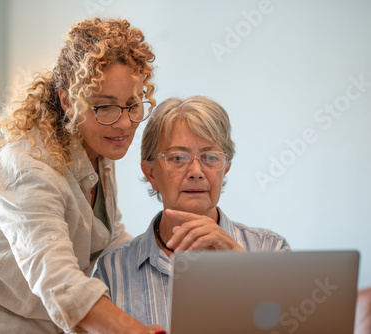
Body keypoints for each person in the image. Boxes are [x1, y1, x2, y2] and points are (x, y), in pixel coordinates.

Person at [0, 18, 166, 334]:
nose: (123, 124)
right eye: (105, 107)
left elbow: (111, 239)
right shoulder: (29, 169)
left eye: (132, 105)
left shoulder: (98, 150)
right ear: (68, 100)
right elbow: (59, 282)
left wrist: (165, 248)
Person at [93, 96, 291, 330]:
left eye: (210, 157)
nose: (196, 171)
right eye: (178, 158)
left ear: (225, 168)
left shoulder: (270, 249)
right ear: (151, 173)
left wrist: (240, 263)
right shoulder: (113, 271)